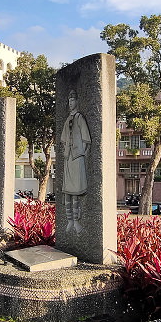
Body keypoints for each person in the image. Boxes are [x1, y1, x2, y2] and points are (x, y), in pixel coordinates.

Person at [60, 89, 91, 234]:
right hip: (68, 158)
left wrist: (82, 152)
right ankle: (69, 220)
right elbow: (63, 139)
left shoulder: (80, 118)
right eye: (69, 101)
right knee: (67, 191)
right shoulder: (68, 120)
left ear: (77, 101)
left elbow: (86, 139)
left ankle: (77, 222)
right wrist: (65, 151)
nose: (70, 103)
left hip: (77, 157)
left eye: (72, 100)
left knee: (77, 192)